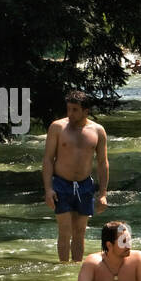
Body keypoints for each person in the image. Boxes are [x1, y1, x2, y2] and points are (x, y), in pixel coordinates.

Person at [43, 90, 110, 262]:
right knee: (65, 231)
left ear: (85, 111)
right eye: (68, 109)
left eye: (75, 110)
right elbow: (48, 159)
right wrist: (48, 189)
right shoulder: (57, 127)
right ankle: (64, 268)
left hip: (85, 185)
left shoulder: (98, 131)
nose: (70, 114)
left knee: (80, 233)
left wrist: (103, 193)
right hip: (61, 183)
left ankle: (77, 269)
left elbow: (102, 163)